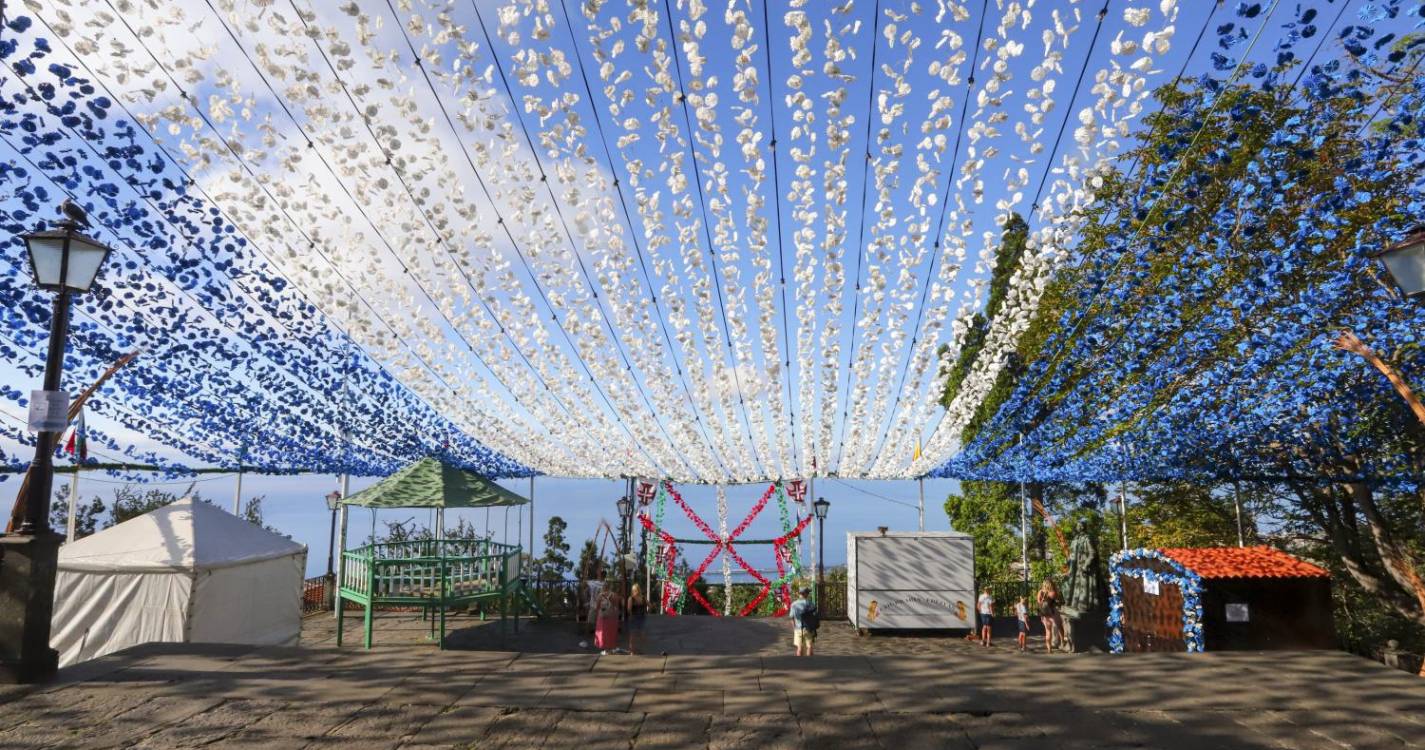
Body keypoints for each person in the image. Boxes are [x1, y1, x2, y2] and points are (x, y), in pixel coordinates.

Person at [788, 587, 819, 656]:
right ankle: (809, 661)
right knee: (809, 647)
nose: (808, 594)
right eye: (808, 593)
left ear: (799, 593)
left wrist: (794, 628)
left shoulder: (794, 604)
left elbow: (792, 617)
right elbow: (815, 615)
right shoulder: (810, 603)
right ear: (805, 594)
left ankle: (800, 661)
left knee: (799, 647)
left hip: (798, 628)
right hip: (808, 628)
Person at [593, 581, 622, 653]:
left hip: (602, 616)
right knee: (611, 632)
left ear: (603, 587)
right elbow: (617, 606)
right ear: (609, 587)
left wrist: (597, 613)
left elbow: (597, 607)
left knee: (603, 632)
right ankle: (611, 648)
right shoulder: (614, 595)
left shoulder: (600, 595)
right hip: (612, 616)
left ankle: (605, 649)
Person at [1037, 579, 1061, 653]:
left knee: (1048, 631)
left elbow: (1039, 602)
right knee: (1058, 627)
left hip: (1044, 614)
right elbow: (1058, 601)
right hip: (1053, 614)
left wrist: (1043, 600)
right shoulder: (1053, 592)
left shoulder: (1041, 592)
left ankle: (1049, 649)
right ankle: (1060, 641)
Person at [626, 583, 648, 655]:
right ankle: (641, 650)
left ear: (633, 590)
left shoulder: (631, 598)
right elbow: (650, 606)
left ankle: (632, 651)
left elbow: (629, 609)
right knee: (642, 634)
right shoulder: (643, 598)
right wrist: (645, 610)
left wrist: (630, 615)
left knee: (632, 635)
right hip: (642, 617)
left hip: (633, 618)